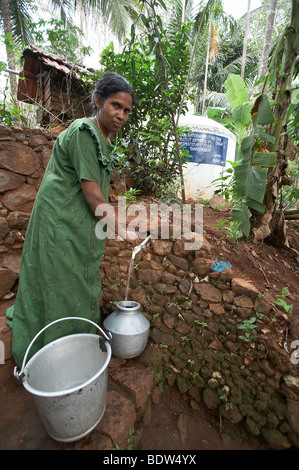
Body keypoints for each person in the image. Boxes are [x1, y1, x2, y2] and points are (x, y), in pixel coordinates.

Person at [6, 71, 140, 367]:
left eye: (126, 110)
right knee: (60, 279)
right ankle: (51, 352)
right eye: (115, 105)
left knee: (78, 279)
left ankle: (73, 343)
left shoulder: (104, 140)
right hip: (59, 219)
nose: (121, 115)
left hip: (77, 222)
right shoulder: (83, 131)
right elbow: (93, 194)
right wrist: (122, 229)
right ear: (98, 101)